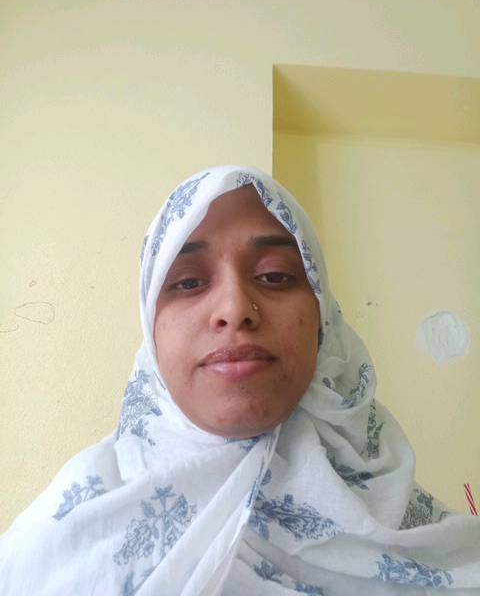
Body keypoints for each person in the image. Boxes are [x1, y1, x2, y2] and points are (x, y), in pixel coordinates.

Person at [1, 165, 479, 595]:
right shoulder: (63, 545)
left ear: (322, 319)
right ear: (151, 328)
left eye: (275, 276)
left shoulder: (431, 544)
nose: (233, 309)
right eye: (188, 282)